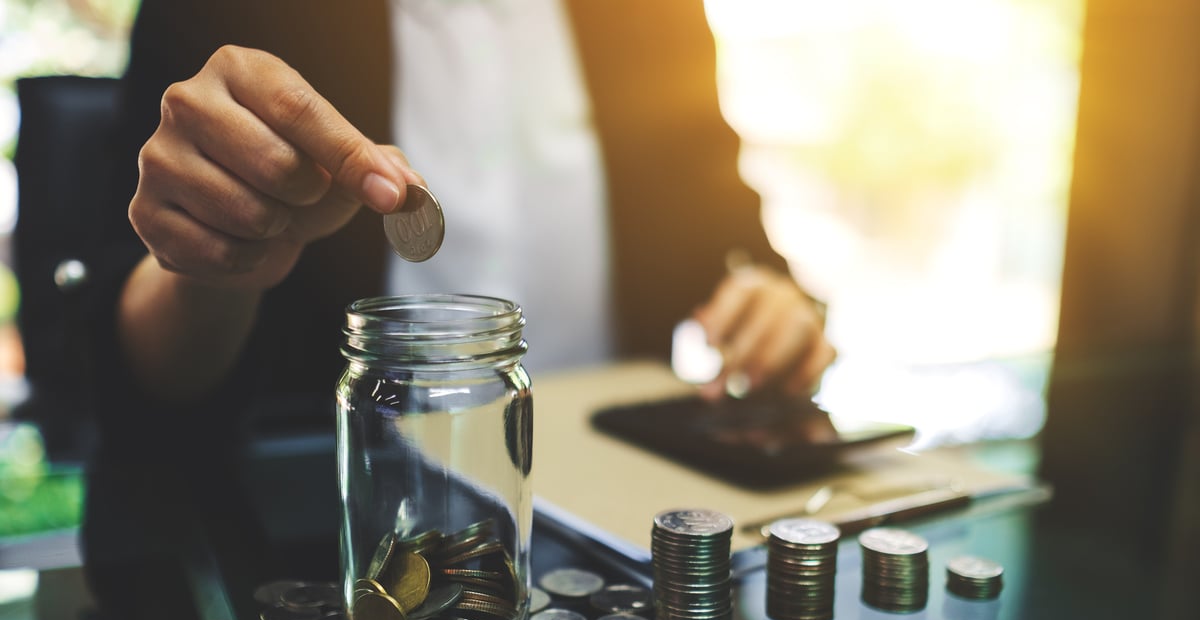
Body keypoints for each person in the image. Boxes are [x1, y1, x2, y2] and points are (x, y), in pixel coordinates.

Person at [88, 0, 835, 451]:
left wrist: (773, 304)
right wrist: (220, 266)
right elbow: (133, 374)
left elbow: (722, 227)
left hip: (620, 493)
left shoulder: (649, 16)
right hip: (325, 513)